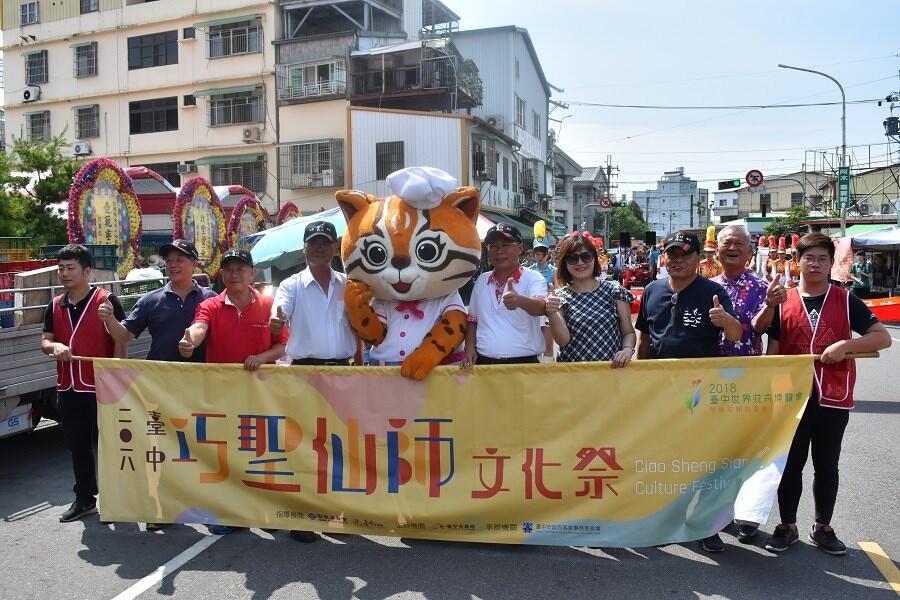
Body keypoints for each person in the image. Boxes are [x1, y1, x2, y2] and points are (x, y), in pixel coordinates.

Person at [752, 233, 890, 555]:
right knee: (791, 464)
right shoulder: (782, 300)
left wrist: (846, 345)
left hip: (833, 395)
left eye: (822, 259)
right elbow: (772, 350)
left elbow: (881, 337)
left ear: (831, 264)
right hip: (791, 398)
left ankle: (823, 526)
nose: (814, 264)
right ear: (797, 262)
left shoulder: (845, 300)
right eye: (809, 258)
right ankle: (787, 525)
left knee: (827, 464)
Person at [635, 231, 742, 553]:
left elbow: (735, 336)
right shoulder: (652, 290)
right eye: (672, 254)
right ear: (664, 257)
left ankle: (706, 525)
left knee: (703, 458)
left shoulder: (713, 292)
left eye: (685, 254)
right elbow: (643, 339)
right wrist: (641, 381)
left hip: (700, 390)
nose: (677, 260)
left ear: (698, 259)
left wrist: (725, 320)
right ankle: (667, 519)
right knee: (665, 458)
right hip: (660, 390)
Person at [179, 248, 289, 534]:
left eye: (241, 268)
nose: (234, 273)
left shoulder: (269, 303)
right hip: (221, 395)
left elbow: (282, 345)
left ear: (252, 273)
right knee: (226, 453)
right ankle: (228, 512)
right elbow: (199, 327)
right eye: (228, 268)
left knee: (262, 452)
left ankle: (266, 511)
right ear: (221, 274)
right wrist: (190, 340)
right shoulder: (211, 306)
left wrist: (261, 358)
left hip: (263, 394)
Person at [268, 221, 356, 542]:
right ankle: (304, 515)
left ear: (335, 248)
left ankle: (337, 509)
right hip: (304, 372)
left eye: (326, 243)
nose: (320, 248)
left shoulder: (350, 285)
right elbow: (280, 312)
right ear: (304, 249)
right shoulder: (291, 285)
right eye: (314, 243)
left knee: (340, 445)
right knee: (305, 445)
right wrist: (277, 320)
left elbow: (365, 326)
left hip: (343, 372)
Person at [40, 244, 127, 523]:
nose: (64, 273)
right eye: (61, 268)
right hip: (68, 386)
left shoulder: (106, 300)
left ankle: (117, 498)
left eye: (70, 268)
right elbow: (45, 340)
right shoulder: (55, 304)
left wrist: (111, 319)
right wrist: (53, 347)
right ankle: (85, 498)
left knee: (110, 444)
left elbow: (123, 339)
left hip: (101, 385)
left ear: (87, 271)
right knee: (77, 445)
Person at [709, 225, 774, 542]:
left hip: (749, 378)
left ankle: (747, 515)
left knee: (748, 449)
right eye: (726, 243)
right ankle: (714, 517)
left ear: (750, 251)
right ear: (716, 250)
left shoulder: (763, 287)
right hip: (710, 380)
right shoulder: (705, 286)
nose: (732, 247)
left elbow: (766, 331)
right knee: (715, 450)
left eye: (739, 243)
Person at [462, 224, 548, 367]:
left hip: (524, 365)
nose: (499, 251)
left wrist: (520, 301)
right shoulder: (482, 280)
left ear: (520, 248)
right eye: (493, 246)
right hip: (483, 364)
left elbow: (541, 307)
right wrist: (469, 347)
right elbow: (472, 320)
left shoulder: (533, 278)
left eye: (506, 245)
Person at [545, 233, 635, 366]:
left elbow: (628, 332)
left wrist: (627, 350)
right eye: (572, 258)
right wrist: (551, 311)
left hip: (611, 374)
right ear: (565, 263)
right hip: (573, 377)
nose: (580, 263)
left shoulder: (614, 291)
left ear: (594, 258)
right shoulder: (559, 297)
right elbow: (563, 341)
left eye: (586, 257)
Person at [529, 241, 556, 360]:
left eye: (542, 254)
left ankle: (549, 366)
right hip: (533, 306)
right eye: (537, 254)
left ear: (547, 255)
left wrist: (552, 289)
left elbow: (558, 288)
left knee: (547, 337)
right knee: (534, 337)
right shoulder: (528, 271)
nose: (539, 257)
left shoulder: (554, 270)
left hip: (548, 306)